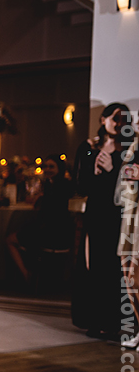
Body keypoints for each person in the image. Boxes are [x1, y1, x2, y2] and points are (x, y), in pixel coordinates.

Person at [72, 103, 133, 340]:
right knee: (92, 265)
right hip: (96, 212)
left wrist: (112, 169)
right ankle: (94, 319)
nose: (118, 123)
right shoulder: (89, 147)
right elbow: (80, 185)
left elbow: (129, 187)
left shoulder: (130, 149)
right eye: (115, 118)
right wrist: (95, 171)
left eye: (123, 119)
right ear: (103, 119)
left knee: (113, 267)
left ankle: (112, 322)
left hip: (117, 215)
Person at [6, 154, 74, 284]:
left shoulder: (61, 186)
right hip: (54, 231)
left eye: (51, 167)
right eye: (46, 166)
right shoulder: (50, 184)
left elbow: (48, 212)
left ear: (59, 168)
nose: (47, 169)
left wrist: (40, 199)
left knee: (10, 239)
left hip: (51, 233)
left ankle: (27, 275)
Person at [117, 121, 139, 348]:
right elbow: (122, 179)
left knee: (136, 273)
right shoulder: (134, 145)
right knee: (127, 273)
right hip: (131, 213)